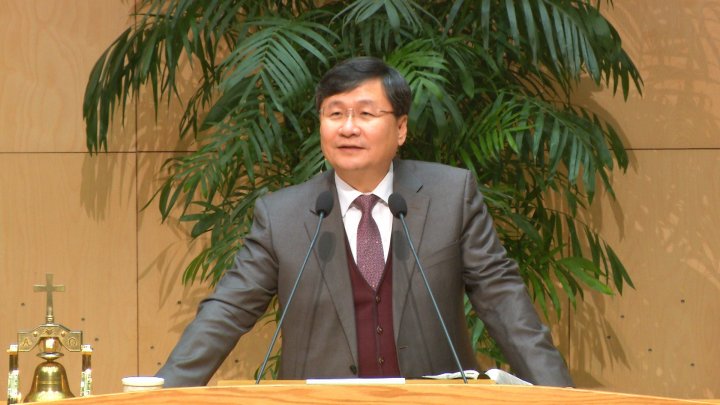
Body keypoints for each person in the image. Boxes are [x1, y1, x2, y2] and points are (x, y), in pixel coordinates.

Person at [156, 56, 573, 387]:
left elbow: (504, 302)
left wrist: (563, 397)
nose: (348, 128)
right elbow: (227, 311)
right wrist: (160, 392)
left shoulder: (451, 196)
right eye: (335, 114)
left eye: (366, 114)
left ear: (401, 128)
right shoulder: (282, 216)